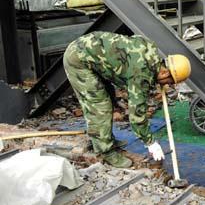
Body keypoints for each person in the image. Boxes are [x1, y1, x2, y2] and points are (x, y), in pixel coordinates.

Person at [63, 31, 191, 168]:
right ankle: (105, 151)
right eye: (169, 81)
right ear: (165, 72)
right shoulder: (141, 73)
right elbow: (136, 114)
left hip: (88, 52)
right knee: (99, 106)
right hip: (78, 60)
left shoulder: (151, 51)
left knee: (109, 95)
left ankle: (106, 139)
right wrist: (150, 142)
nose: (167, 85)